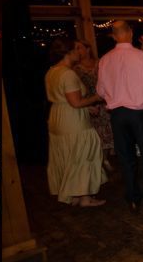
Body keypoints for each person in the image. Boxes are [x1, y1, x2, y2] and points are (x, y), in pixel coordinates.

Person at [96, 20, 143, 209]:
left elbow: (101, 90)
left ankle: (132, 198)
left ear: (113, 36)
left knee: (125, 158)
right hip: (141, 113)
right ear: (130, 33)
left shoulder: (105, 59)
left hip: (118, 115)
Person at [45, 38, 105, 206]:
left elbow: (66, 100)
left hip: (58, 116)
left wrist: (87, 108)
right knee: (84, 153)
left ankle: (75, 196)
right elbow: (75, 102)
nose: (79, 52)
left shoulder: (51, 72)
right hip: (72, 120)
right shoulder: (68, 73)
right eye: (76, 49)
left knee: (69, 155)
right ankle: (85, 197)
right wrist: (97, 97)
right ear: (68, 53)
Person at [72, 40, 114, 172]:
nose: (77, 51)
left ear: (88, 49)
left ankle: (105, 159)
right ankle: (99, 161)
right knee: (95, 135)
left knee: (107, 132)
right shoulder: (75, 69)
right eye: (75, 49)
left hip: (104, 102)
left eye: (79, 48)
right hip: (88, 103)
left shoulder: (100, 62)